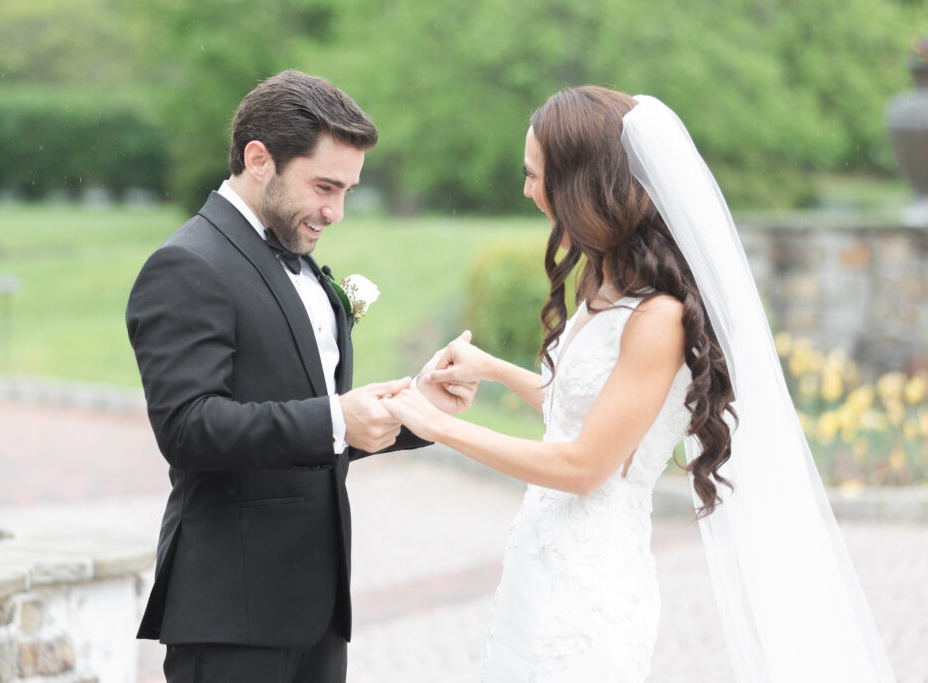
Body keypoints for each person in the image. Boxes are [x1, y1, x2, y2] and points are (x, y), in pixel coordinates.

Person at [382, 86, 896, 682]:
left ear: (582, 184)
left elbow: (583, 465)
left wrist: (438, 425)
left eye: (535, 176)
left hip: (589, 585)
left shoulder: (658, 318)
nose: (527, 191)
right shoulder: (608, 283)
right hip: (541, 562)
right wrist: (491, 371)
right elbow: (581, 410)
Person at [126, 70, 474, 683]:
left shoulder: (306, 267)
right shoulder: (185, 264)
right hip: (230, 615)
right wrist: (337, 417)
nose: (335, 212)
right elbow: (187, 428)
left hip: (317, 609)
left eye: (347, 191)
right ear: (259, 159)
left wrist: (418, 409)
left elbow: (317, 430)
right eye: (324, 186)